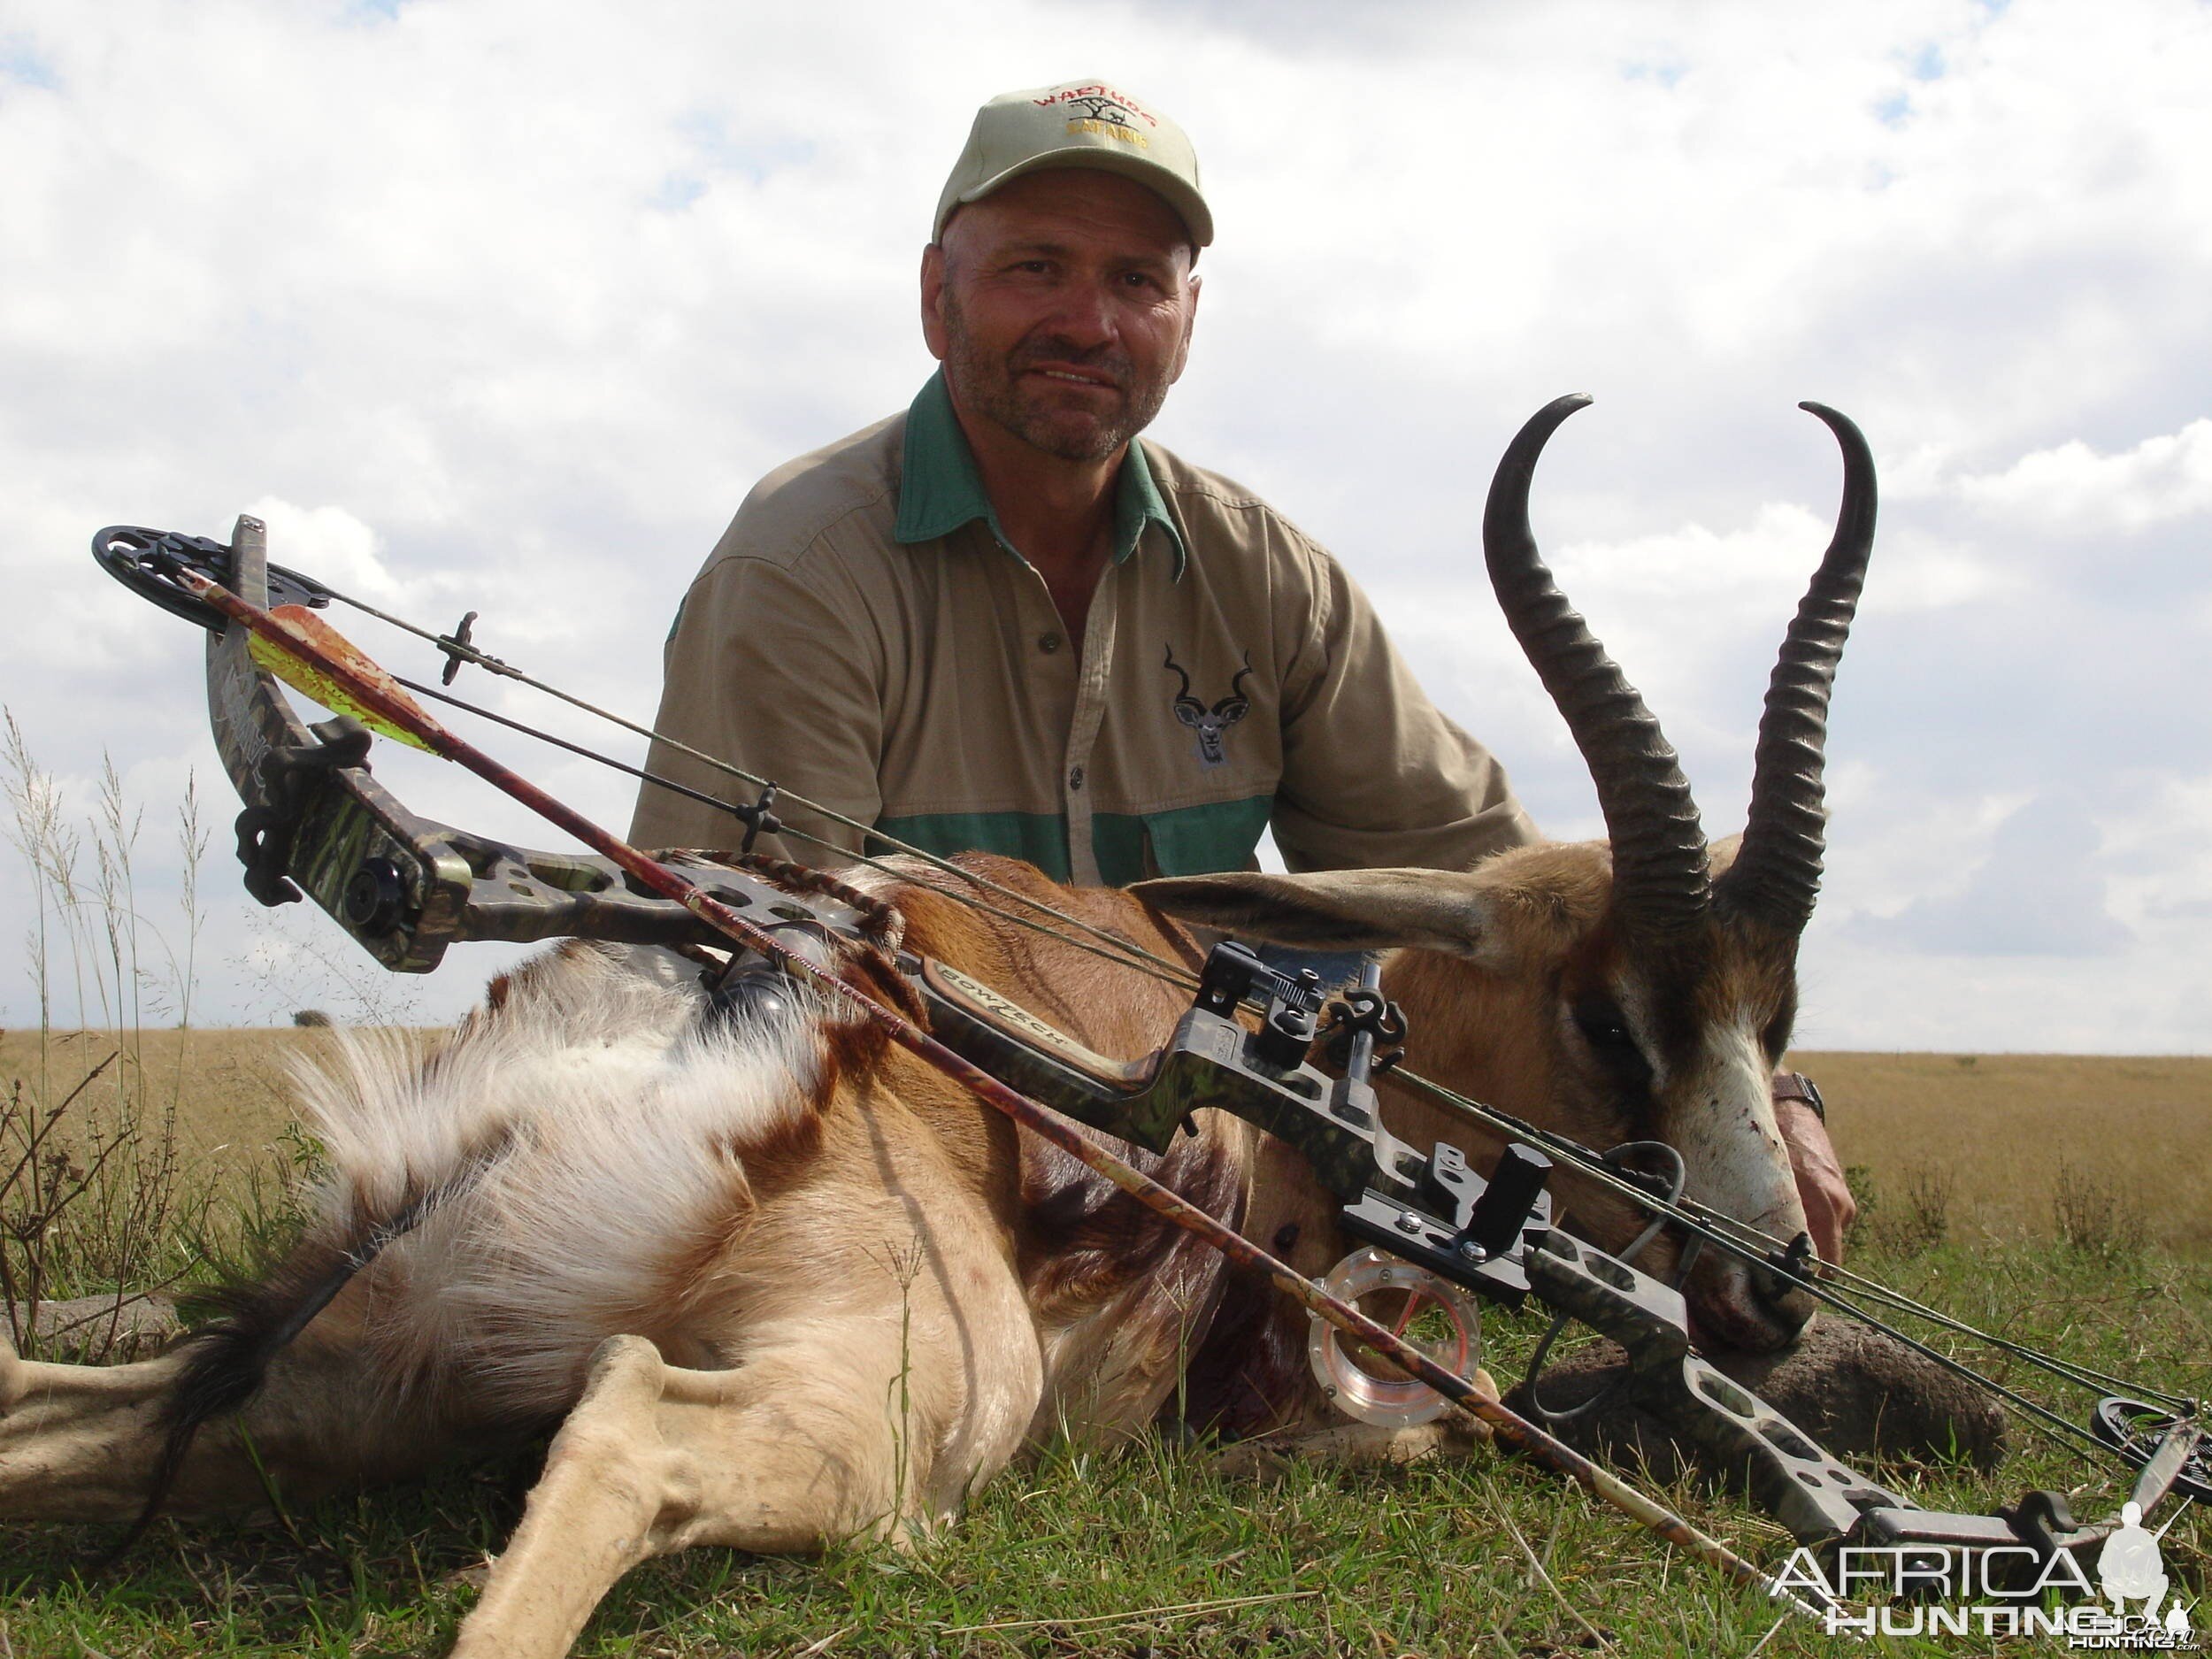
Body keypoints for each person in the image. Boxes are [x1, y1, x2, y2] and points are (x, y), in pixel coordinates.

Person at [629, 77, 1854, 1258]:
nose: (1089, 321)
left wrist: (1765, 1088)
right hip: (918, 1159)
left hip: (1208, 1174)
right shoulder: (805, 566)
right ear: (937, 298)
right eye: (1034, 267)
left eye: (1135, 282)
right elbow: (741, 979)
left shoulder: (1264, 574)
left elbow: (1535, 900)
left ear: (1187, 320)